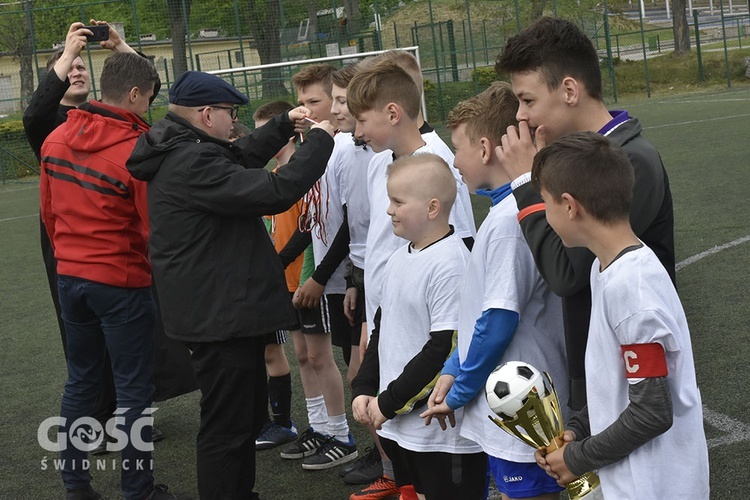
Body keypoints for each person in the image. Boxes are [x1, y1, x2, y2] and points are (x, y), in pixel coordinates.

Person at [126, 70, 335, 499]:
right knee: (226, 427)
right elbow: (277, 189)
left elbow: (237, 158)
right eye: (228, 113)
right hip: (219, 318)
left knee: (240, 418)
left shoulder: (183, 146)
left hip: (217, 312)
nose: (232, 121)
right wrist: (320, 141)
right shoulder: (192, 160)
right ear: (206, 115)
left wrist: (281, 126)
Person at [494, 17, 675, 410]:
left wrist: (526, 182)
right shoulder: (574, 158)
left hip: (628, 374)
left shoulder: (632, 161)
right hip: (592, 363)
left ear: (570, 90)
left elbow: (567, 273)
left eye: (527, 101)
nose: (520, 117)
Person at [530, 131, 709, 499]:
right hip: (630, 481)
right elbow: (616, 387)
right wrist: (579, 427)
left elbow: (652, 412)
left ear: (569, 205)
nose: (546, 216)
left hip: (654, 486)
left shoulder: (633, 289)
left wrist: (576, 458)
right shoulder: (606, 267)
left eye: (545, 203)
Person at [40, 52, 180, 500]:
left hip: (71, 277)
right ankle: (137, 490)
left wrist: (70, 257)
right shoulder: (135, 150)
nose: (149, 108)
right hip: (119, 281)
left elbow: (49, 213)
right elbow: (150, 228)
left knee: (80, 381)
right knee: (133, 390)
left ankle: (75, 486)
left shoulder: (56, 138)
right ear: (135, 94)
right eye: (149, 99)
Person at [418, 83, 568, 500]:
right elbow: (481, 313)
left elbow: (499, 319)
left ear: (485, 148)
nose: (454, 162)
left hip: (521, 406)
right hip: (513, 400)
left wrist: (462, 389)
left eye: (457, 149)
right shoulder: (504, 211)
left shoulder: (507, 222)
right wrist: (452, 366)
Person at [351, 154, 485, 500]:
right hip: (403, 428)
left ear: (432, 208)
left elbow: (444, 350)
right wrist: (365, 386)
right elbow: (383, 329)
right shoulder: (400, 255)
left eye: (397, 201)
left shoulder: (451, 264)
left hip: (441, 435)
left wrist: (389, 402)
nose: (389, 210)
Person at [278, 64, 358, 471]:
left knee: (336, 359)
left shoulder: (343, 148)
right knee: (308, 355)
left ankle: (341, 434)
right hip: (323, 272)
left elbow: (347, 224)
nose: (305, 109)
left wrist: (319, 275)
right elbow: (313, 223)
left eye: (315, 101)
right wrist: (281, 263)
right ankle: (323, 427)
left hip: (341, 277)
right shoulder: (318, 146)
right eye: (302, 102)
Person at [250, 100, 301, 451]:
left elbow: (311, 231)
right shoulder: (271, 177)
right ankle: (271, 422)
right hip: (268, 281)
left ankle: (284, 423)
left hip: (291, 280)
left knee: (282, 353)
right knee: (263, 351)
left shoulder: (300, 174)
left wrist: (282, 263)